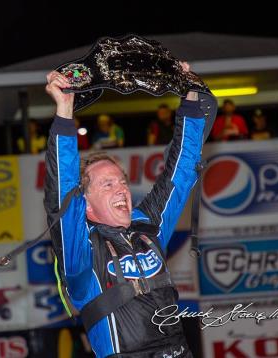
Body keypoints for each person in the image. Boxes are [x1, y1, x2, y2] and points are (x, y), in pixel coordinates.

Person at [44, 62, 203, 357]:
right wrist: (65, 112)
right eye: (107, 185)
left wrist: (190, 96)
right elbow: (61, 195)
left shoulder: (148, 226)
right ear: (86, 205)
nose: (121, 189)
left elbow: (181, 173)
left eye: (122, 181)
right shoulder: (81, 254)